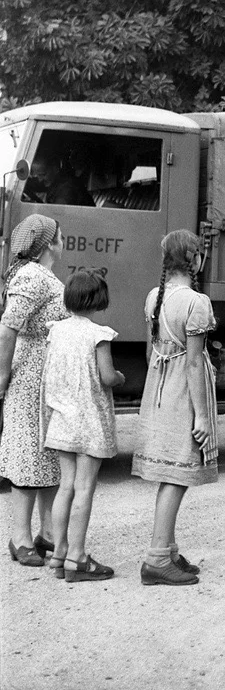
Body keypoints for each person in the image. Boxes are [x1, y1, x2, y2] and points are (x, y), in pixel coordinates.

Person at [132, 230, 219, 586]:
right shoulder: (196, 302)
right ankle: (156, 558)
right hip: (183, 389)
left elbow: (152, 352)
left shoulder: (156, 296)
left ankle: (167, 550)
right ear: (194, 259)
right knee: (176, 474)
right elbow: (195, 364)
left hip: (160, 385)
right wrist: (201, 415)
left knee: (171, 471)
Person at [42, 271, 125, 582]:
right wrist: (119, 377)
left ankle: (60, 552)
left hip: (62, 419)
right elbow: (106, 377)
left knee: (65, 486)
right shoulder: (98, 334)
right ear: (98, 300)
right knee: (84, 488)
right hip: (89, 420)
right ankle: (78, 556)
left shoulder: (56, 331)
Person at [0, 214, 68, 566]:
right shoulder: (32, 276)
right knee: (28, 458)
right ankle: (19, 538)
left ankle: (48, 534)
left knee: (47, 457)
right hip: (30, 378)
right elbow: (8, 326)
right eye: (58, 235)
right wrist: (1, 378)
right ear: (47, 244)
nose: (62, 239)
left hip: (45, 377)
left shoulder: (40, 275)